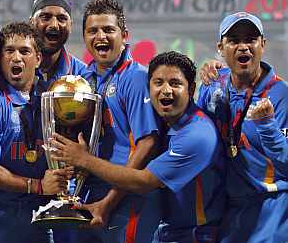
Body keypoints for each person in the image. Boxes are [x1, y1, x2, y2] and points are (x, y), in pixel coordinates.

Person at [51, 51, 225, 243]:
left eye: (175, 83)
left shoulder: (197, 134)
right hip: (167, 232)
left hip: (198, 234)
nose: (166, 90)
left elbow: (143, 181)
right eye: (158, 83)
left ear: (191, 89)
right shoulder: (164, 122)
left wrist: (84, 159)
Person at [58, 0, 162, 243]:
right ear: (84, 37)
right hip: (91, 190)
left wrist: (108, 202)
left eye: (108, 30)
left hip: (127, 198)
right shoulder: (84, 78)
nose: (101, 37)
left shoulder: (136, 78)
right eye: (93, 31)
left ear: (124, 35)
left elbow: (147, 144)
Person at [0, 21, 71, 243]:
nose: (16, 58)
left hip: (38, 224)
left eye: (25, 51)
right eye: (9, 51)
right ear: (0, 59)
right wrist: (39, 186)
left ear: (38, 58)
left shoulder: (52, 101)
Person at [197, 12, 288, 243]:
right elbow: (199, 141)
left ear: (263, 45)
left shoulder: (282, 95)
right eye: (234, 40)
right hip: (229, 212)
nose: (243, 47)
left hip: (273, 210)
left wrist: (268, 127)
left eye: (250, 39)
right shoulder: (212, 85)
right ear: (220, 47)